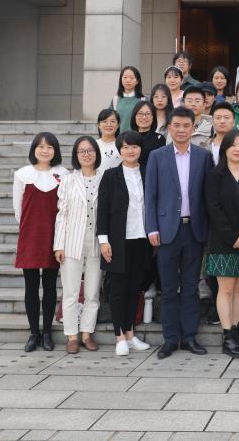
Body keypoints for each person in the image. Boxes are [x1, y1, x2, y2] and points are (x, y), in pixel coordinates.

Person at [145, 107, 215, 358]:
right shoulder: (157, 156)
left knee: (190, 287)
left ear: (193, 127)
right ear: (169, 128)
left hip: (194, 230)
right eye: (177, 125)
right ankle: (170, 339)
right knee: (168, 287)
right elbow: (150, 195)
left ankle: (189, 337)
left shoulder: (203, 157)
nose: (182, 130)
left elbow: (208, 196)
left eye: (187, 125)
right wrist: (152, 227)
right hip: (166, 231)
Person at [204, 129, 239, 358]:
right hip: (224, 241)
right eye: (233, 145)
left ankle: (237, 333)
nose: (237, 149)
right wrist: (232, 237)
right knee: (226, 289)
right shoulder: (214, 175)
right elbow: (213, 209)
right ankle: (227, 336)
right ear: (224, 149)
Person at [97, 131, 153, 356]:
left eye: (135, 146)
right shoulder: (111, 176)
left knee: (134, 288)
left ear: (141, 149)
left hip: (142, 239)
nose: (131, 151)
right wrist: (103, 241)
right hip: (118, 241)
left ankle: (130, 334)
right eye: (126, 147)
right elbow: (102, 210)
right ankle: (119, 336)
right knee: (119, 289)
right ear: (119, 150)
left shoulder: (148, 173)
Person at [13, 132, 68, 352]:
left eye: (50, 147)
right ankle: (33, 333)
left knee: (51, 286)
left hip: (54, 236)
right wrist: (30, 229)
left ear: (55, 151)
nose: (45, 151)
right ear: (34, 149)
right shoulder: (22, 174)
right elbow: (18, 209)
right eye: (41, 146)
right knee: (31, 286)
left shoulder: (63, 174)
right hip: (30, 236)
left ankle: (47, 333)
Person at [54, 136, 103, 354]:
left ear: (96, 153)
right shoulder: (68, 180)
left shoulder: (104, 178)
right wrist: (58, 245)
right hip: (72, 241)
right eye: (82, 151)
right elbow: (61, 214)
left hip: (96, 243)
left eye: (90, 150)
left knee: (92, 292)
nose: (86, 154)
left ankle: (86, 333)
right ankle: (72, 335)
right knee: (71, 291)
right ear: (76, 155)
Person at [130, 100, 166, 176]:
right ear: (134, 116)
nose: (144, 117)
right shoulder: (128, 137)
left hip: (151, 177)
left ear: (153, 117)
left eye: (148, 114)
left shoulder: (159, 139)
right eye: (140, 114)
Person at [108, 66, 146, 134]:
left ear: (137, 81)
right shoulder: (115, 100)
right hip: (119, 138)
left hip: (138, 137)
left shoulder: (143, 99)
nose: (128, 80)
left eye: (132, 78)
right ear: (121, 80)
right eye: (125, 77)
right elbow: (109, 119)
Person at [95, 109, 122, 174]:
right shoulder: (93, 145)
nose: (109, 124)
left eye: (112, 121)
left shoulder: (123, 145)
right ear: (98, 125)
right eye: (105, 121)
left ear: (118, 125)